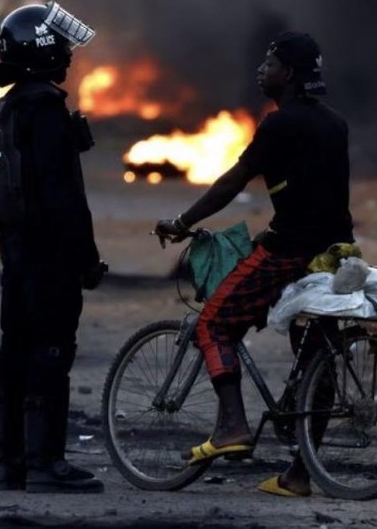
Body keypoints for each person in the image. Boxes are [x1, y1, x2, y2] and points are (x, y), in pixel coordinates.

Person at [154, 31, 355, 498]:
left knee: (214, 325)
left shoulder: (279, 125)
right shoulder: (336, 124)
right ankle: (299, 476)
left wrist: (184, 221)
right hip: (337, 252)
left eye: (270, 62)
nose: (261, 69)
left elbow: (232, 182)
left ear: (289, 73)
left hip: (289, 255)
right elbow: (318, 195)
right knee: (316, 361)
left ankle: (231, 428)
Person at [0, 1, 108, 494]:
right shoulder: (45, 110)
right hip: (49, 254)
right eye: (62, 47)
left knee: (14, 349)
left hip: (15, 253)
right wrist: (87, 258)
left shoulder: (4, 109)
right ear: (43, 50)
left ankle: (7, 463)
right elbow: (65, 198)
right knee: (51, 352)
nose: (70, 57)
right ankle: (45, 462)